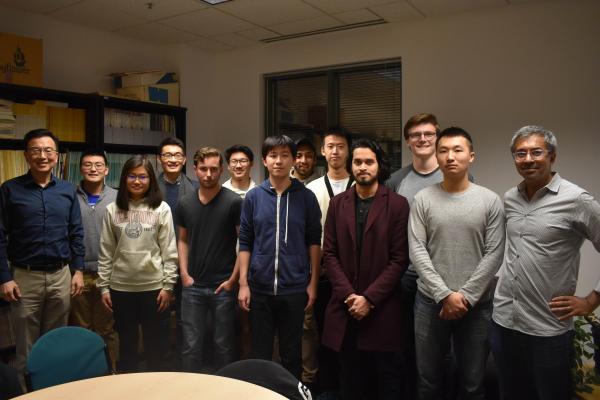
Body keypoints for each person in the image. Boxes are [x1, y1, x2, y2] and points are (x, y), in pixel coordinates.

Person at [491, 125, 600, 400]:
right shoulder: (510, 198)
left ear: (552, 156)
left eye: (536, 152)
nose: (528, 159)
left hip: (547, 327)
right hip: (504, 320)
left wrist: (591, 301)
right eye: (520, 153)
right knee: (510, 393)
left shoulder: (576, 200)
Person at [409, 127, 505, 400]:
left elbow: (494, 253)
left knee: (473, 383)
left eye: (457, 150)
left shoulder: (490, 201)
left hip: (477, 306)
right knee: (428, 380)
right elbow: (417, 250)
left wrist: (464, 296)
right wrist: (444, 295)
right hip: (429, 302)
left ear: (471, 156)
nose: (450, 156)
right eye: (443, 151)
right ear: (437, 157)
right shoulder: (423, 199)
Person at [322, 138, 410, 400]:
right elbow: (330, 253)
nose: (363, 167)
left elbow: (399, 259)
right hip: (345, 306)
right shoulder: (338, 204)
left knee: (386, 379)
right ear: (350, 166)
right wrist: (350, 296)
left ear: (379, 166)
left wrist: (369, 299)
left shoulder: (397, 204)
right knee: (350, 378)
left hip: (382, 308)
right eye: (357, 162)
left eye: (368, 162)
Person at [0, 129, 85, 384]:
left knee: (56, 343)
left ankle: (54, 391)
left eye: (48, 150)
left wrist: (78, 270)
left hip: (61, 275)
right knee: (26, 347)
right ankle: (28, 393)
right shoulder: (9, 190)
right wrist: (4, 277)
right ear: (27, 156)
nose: (42, 155)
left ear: (57, 156)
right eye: (36, 150)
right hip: (25, 277)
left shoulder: (68, 191)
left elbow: (76, 233)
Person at [237, 135, 321, 379]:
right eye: (273, 155)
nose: (279, 161)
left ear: (293, 160)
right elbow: (245, 241)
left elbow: (314, 242)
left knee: (291, 353)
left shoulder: (306, 197)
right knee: (260, 353)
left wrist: (313, 283)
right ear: (264, 160)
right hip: (260, 288)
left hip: (294, 288)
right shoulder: (254, 197)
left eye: (285, 155)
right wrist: (243, 283)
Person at [97, 155, 178, 372]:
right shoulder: (112, 210)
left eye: (143, 176)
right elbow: (106, 251)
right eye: (132, 176)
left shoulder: (162, 209)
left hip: (154, 289)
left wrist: (169, 286)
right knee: (127, 347)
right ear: (124, 178)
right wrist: (103, 286)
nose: (137, 181)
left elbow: (169, 250)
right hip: (121, 289)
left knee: (155, 347)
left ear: (151, 180)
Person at [385, 113, 441, 398]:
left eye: (428, 133)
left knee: (442, 354)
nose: (422, 139)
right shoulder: (397, 179)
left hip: (445, 278)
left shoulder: (455, 174)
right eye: (416, 134)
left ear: (436, 137)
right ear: (408, 141)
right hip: (405, 277)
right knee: (404, 346)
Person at [176, 147, 242, 372]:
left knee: (223, 345)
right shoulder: (185, 203)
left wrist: (234, 280)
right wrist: (184, 274)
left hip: (223, 286)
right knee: (191, 346)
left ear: (222, 170)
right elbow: (182, 241)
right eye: (203, 169)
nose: (208, 174)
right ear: (194, 169)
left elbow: (244, 243)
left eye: (214, 169)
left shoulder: (233, 202)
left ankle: (225, 391)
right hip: (193, 286)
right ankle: (189, 392)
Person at [306, 127, 353, 392]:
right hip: (323, 273)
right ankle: (326, 386)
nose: (335, 152)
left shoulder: (360, 184)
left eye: (341, 146)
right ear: (322, 151)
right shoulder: (311, 189)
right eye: (330, 146)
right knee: (323, 332)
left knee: (351, 336)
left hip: (354, 275)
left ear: (348, 150)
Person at [69, 150, 118, 369]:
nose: (93, 169)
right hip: (77, 273)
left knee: (107, 329)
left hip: (109, 274)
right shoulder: (69, 196)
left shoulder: (118, 197)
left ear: (107, 170)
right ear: (81, 169)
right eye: (88, 165)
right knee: (81, 328)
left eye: (98, 165)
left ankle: (112, 373)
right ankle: (85, 375)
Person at [156, 136, 196, 370]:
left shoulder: (195, 187)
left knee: (185, 318)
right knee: (158, 317)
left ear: (184, 159)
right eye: (167, 155)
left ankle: (183, 365)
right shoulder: (149, 188)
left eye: (177, 155)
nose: (172, 159)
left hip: (187, 264)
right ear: (159, 159)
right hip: (156, 264)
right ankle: (160, 364)